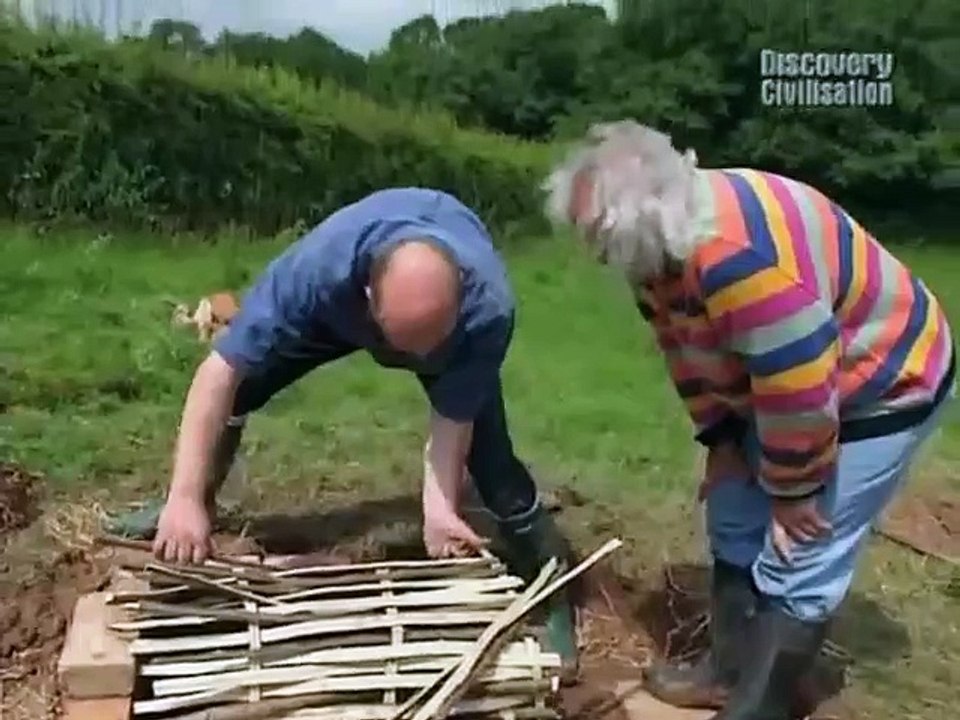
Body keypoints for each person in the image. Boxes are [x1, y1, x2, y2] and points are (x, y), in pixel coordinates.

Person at [540, 121, 955, 719]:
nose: (594, 254)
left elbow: (800, 394)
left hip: (884, 381)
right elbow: (682, 347)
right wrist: (722, 440)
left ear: (640, 229)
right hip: (790, 378)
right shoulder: (657, 247)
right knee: (734, 508)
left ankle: (761, 707)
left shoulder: (746, 262)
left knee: (802, 550)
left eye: (599, 241)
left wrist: (794, 493)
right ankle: (727, 671)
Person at [147, 187, 578, 679]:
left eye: (429, 345)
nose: (419, 361)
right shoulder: (312, 276)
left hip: (445, 322)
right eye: (407, 344)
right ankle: (186, 507)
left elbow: (454, 413)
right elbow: (217, 373)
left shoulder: (487, 309)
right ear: (371, 300)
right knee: (242, 388)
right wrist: (183, 496)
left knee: (492, 462)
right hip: (337, 311)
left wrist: (439, 507)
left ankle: (552, 582)